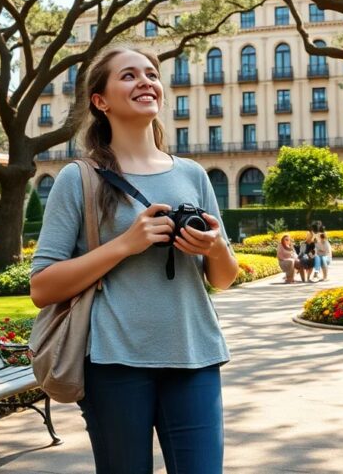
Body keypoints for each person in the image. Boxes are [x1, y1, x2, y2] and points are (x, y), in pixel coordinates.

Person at [29, 47, 239, 474]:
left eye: (151, 74)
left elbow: (223, 278)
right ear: (100, 101)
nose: (145, 81)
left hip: (194, 355)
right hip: (114, 362)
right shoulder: (78, 178)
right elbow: (42, 286)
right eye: (128, 76)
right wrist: (126, 243)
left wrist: (214, 247)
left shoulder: (193, 174)